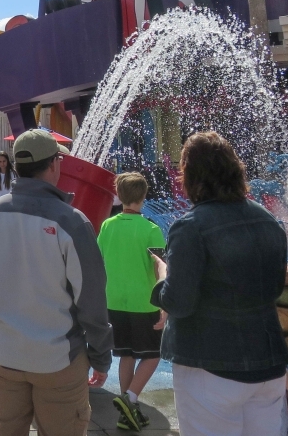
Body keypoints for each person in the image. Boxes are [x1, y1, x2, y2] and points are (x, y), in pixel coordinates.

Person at [0, 129, 112, 436]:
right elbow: (92, 302)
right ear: (54, 165)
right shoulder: (72, 221)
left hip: (4, 354)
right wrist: (100, 356)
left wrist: (10, 298)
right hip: (58, 359)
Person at [151, 131, 288, 436]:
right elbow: (275, 289)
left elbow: (179, 302)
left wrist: (162, 274)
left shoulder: (190, 227)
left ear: (189, 174)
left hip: (210, 365)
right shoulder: (268, 221)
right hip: (268, 363)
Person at [96, 172, 167, 431]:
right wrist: (164, 302)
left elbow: (99, 258)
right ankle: (130, 398)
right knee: (152, 355)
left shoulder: (107, 226)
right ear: (144, 197)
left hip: (114, 300)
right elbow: (162, 268)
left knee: (126, 355)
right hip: (143, 302)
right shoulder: (151, 229)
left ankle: (128, 412)